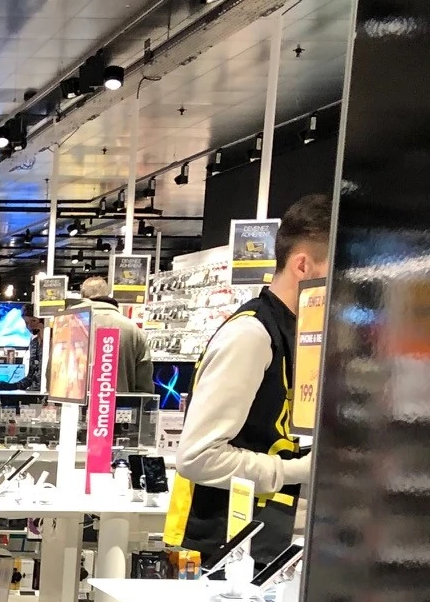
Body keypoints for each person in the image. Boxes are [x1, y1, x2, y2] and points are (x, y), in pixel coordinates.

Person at [164, 193, 333, 566]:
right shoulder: (251, 335)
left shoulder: (297, 333)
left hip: (266, 545)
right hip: (225, 552)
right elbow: (198, 456)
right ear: (302, 265)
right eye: (337, 268)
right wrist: (299, 471)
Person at [75, 275, 154, 395]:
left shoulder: (68, 324)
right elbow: (145, 385)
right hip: (119, 405)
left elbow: (52, 375)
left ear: (83, 295)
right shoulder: (132, 329)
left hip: (72, 404)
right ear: (108, 295)